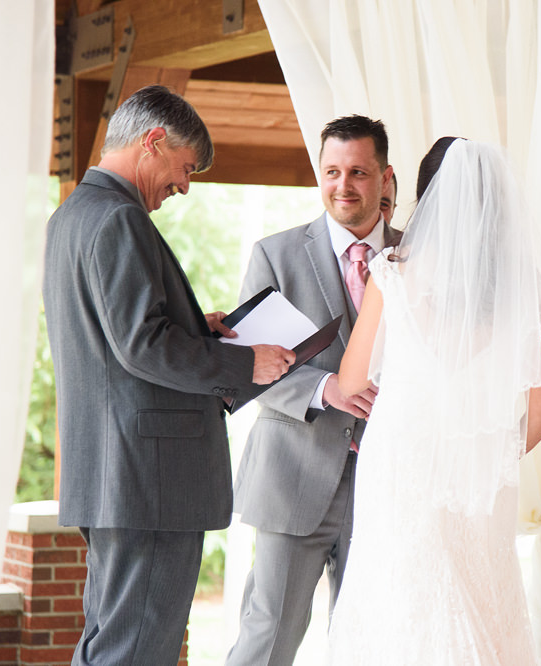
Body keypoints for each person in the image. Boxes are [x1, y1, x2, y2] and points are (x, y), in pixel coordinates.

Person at [42, 85, 295, 665]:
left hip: (112, 476)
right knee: (136, 651)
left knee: (109, 642)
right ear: (152, 142)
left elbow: (114, 339)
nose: (183, 186)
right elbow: (141, 344)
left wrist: (196, 328)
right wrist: (243, 361)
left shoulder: (70, 218)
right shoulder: (119, 219)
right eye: (183, 169)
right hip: (148, 481)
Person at [326, 137, 541, 664]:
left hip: (401, 466)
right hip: (482, 476)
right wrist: (484, 453)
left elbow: (353, 376)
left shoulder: (392, 272)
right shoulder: (527, 289)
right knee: (481, 596)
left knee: (397, 601)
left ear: (425, 198)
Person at [226, 115, 399, 665]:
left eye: (358, 172)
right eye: (331, 171)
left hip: (387, 485)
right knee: (267, 639)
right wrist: (326, 388)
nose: (342, 185)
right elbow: (245, 368)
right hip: (292, 478)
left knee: (367, 644)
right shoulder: (274, 255)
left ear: (384, 177)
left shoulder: (417, 257)